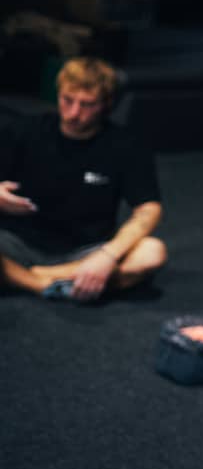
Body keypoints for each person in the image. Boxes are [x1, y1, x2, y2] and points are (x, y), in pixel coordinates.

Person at [0, 56, 168, 300]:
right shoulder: (24, 130)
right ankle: (41, 284)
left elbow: (149, 208)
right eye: (67, 100)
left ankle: (31, 277)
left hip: (85, 250)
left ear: (106, 104)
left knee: (152, 252)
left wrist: (107, 256)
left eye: (87, 105)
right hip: (16, 241)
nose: (73, 113)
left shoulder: (126, 145)